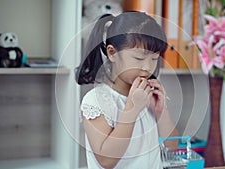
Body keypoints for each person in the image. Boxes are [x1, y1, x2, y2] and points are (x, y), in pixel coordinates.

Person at [76, 11, 180, 169]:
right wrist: (132, 110)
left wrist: (161, 112)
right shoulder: (96, 101)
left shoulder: (148, 96)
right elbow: (106, 160)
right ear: (112, 53)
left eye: (154, 59)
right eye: (139, 58)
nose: (147, 67)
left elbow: (172, 146)